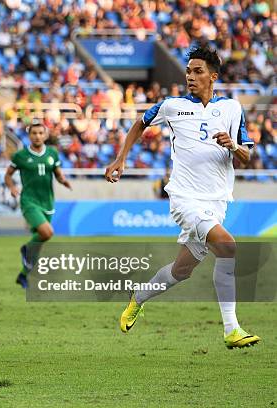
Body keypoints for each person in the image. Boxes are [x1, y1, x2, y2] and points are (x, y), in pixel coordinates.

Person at [105, 46, 260, 349]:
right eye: (188, 71)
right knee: (228, 247)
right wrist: (121, 159)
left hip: (217, 202)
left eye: (198, 71)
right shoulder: (173, 106)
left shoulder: (231, 108)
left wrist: (232, 146)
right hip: (184, 198)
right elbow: (140, 124)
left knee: (182, 271)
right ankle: (232, 329)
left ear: (213, 76)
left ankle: (139, 296)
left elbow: (247, 156)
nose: (190, 76)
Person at [4, 122, 71, 288]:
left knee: (40, 242)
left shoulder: (52, 154)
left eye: (41, 133)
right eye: (34, 133)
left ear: (45, 135)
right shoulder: (20, 156)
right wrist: (12, 187)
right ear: (29, 135)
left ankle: (23, 275)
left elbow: (57, 173)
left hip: (47, 201)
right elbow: (8, 175)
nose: (37, 136)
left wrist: (63, 180)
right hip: (29, 200)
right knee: (47, 233)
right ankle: (25, 249)